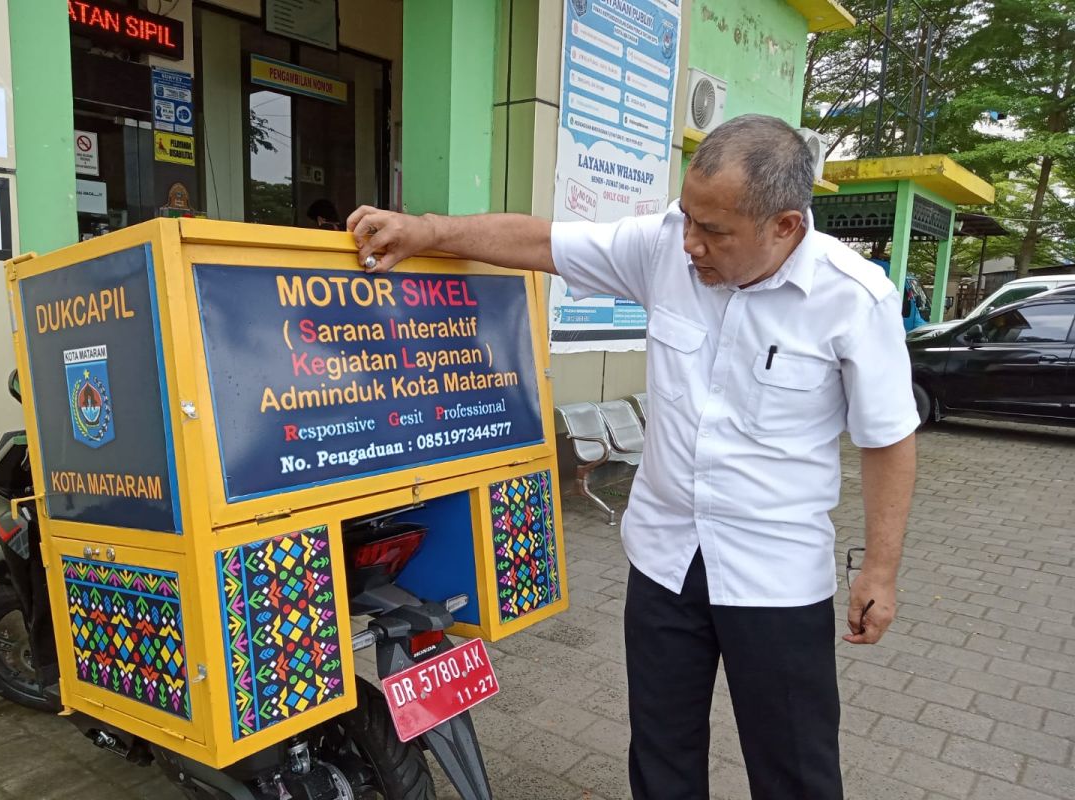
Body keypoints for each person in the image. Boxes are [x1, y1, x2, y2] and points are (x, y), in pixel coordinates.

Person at [346, 114, 918, 800]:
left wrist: (879, 570)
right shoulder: (664, 248)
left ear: (785, 227)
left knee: (794, 767)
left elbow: (887, 437)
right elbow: (540, 241)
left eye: (714, 232)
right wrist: (427, 231)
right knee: (661, 751)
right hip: (664, 560)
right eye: (687, 218)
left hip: (776, 575)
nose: (690, 244)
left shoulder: (855, 299)